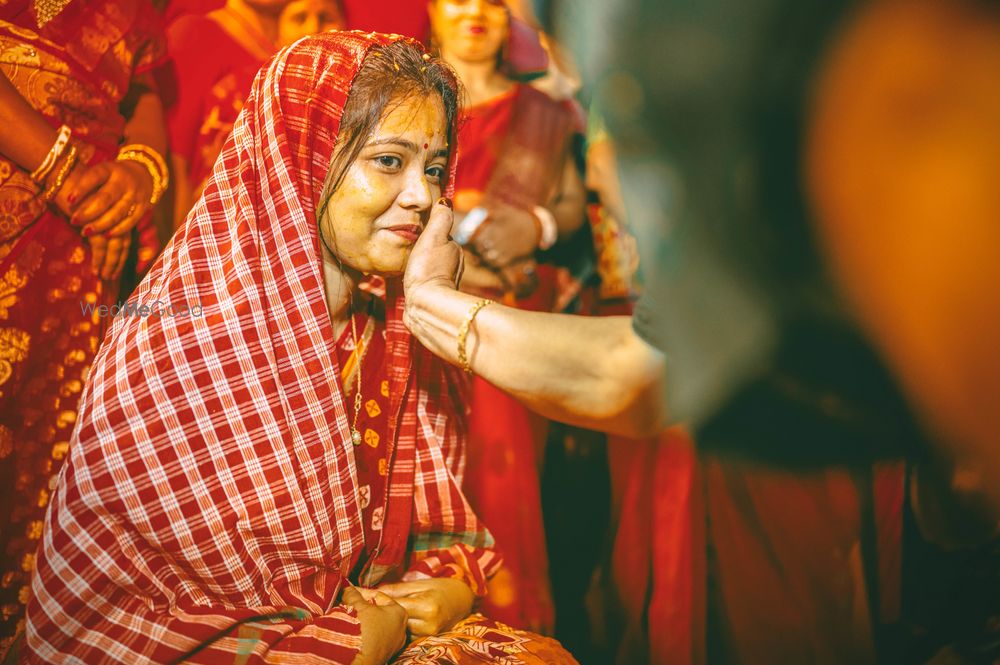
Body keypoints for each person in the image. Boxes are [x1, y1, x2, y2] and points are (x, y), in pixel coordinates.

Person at [23, 32, 577, 665]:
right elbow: (111, 625)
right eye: (389, 161)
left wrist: (449, 587)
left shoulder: (394, 329)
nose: (424, 196)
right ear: (302, 160)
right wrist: (336, 641)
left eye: (432, 168)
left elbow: (432, 531)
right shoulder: (179, 345)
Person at [0, 0, 167, 652]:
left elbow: (142, 86)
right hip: (56, 193)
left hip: (86, 246)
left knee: (49, 489)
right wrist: (61, 167)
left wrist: (137, 174)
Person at [425, 0, 588, 634]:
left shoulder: (542, 112)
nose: (476, 15)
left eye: (493, 3)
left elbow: (571, 204)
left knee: (505, 484)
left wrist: (535, 222)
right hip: (419, 317)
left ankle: (508, 631)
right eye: (458, 0)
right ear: (432, 11)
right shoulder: (410, 98)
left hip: (513, 322)